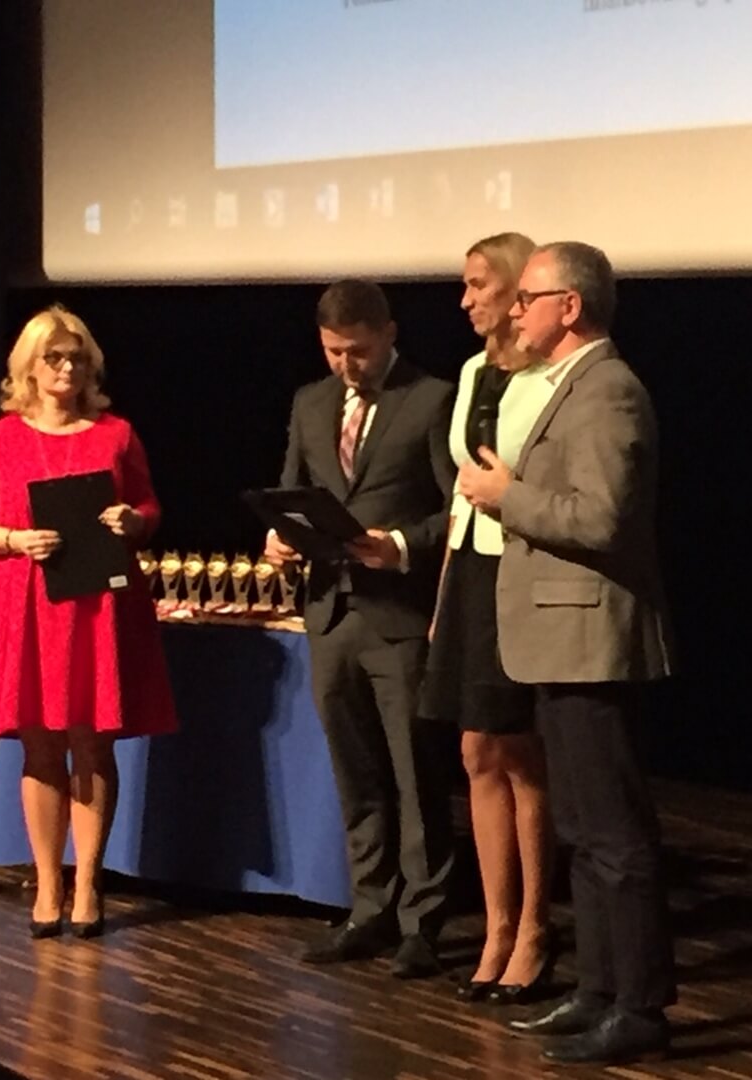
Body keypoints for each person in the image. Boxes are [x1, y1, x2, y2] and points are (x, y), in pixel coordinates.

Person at [457, 242, 677, 1064]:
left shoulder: (608, 390)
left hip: (591, 640)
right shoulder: (568, 385)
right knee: (582, 830)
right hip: (556, 640)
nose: (515, 310)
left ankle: (641, 1007)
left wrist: (505, 496)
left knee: (614, 834)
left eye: (529, 297)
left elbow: (603, 517)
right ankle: (597, 990)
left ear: (570, 306)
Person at [0, 304, 178, 940]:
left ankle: (88, 884)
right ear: (29, 366)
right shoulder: (0, 438)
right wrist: (15, 539)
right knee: (41, 744)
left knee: (92, 742)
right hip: (25, 604)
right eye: (54, 357)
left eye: (77, 358)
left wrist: (133, 521)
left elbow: (148, 506)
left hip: (96, 606)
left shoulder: (115, 435)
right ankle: (48, 883)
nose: (67, 368)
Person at [263, 280, 457, 979]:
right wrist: (280, 538)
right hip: (330, 613)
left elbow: (457, 511)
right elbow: (292, 490)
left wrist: (399, 545)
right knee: (356, 774)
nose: (347, 365)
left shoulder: (431, 399)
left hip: (397, 616)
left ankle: (423, 922)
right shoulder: (311, 403)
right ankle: (369, 908)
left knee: (416, 774)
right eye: (334, 352)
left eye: (359, 351)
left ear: (389, 333)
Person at [420, 232, 557, 1005]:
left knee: (519, 751)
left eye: (479, 285)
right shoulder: (473, 373)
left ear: (515, 291)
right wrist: (445, 595)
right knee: (475, 750)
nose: (466, 299)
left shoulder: (549, 379)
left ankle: (536, 927)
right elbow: (459, 493)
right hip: (472, 569)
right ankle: (497, 928)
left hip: (523, 569)